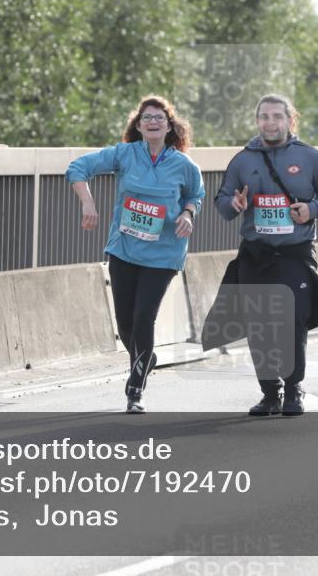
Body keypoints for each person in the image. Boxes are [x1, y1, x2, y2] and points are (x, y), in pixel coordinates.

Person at [206, 93, 318, 417]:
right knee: (258, 323)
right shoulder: (243, 160)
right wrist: (235, 205)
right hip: (255, 253)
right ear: (257, 122)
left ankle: (294, 388)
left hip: (294, 254)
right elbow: (223, 201)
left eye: (277, 117)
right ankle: (270, 393)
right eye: (264, 117)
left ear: (290, 121)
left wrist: (312, 209)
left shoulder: (309, 157)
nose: (270, 123)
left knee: (291, 318)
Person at [66, 96, 205, 413]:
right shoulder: (125, 155)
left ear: (169, 126)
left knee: (145, 317)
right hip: (124, 251)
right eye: (147, 118)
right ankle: (146, 356)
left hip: (163, 255)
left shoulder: (183, 165)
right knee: (126, 323)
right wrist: (88, 203)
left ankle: (135, 389)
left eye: (160, 117)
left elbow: (196, 194)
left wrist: (187, 214)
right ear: (138, 126)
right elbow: (78, 168)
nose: (153, 122)